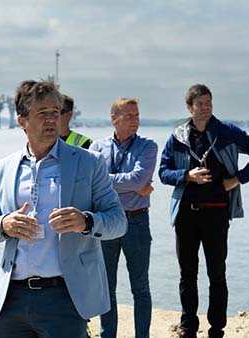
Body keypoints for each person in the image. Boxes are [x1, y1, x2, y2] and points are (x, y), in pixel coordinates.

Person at [0, 79, 127, 338]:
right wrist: (4, 224)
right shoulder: (5, 167)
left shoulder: (89, 161)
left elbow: (118, 221)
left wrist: (86, 222)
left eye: (55, 113)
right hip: (12, 300)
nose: (50, 120)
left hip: (66, 298)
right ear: (21, 120)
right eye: (42, 113)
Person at [158, 84, 249, 338]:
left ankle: (217, 329)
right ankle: (188, 328)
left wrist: (237, 179)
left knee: (217, 273)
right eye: (200, 104)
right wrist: (186, 176)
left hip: (217, 213)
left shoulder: (226, 132)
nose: (206, 108)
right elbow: (163, 172)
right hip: (186, 215)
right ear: (189, 107)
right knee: (187, 274)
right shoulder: (178, 136)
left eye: (209, 103)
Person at [90, 98, 158, 338]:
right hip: (106, 222)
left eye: (137, 116)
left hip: (137, 222)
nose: (135, 121)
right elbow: (92, 182)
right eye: (129, 116)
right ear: (114, 118)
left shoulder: (148, 146)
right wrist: (129, 184)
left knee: (140, 287)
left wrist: (107, 181)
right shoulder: (97, 148)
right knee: (106, 287)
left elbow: (139, 180)